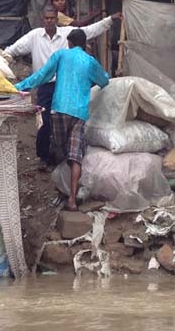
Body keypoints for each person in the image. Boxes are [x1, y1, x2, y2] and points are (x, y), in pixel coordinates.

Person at [4, 6, 121, 169]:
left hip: (63, 85)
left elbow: (88, 31)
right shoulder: (34, 36)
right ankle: (44, 157)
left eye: (52, 18)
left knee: (65, 120)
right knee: (44, 122)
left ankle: (64, 158)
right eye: (46, 18)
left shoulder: (68, 33)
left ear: (57, 20)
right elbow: (15, 48)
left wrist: (109, 20)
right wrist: (2, 55)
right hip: (44, 85)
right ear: (42, 19)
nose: (49, 21)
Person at [14, 29, 110, 211]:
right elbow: (105, 81)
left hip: (58, 109)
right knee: (75, 157)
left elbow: (42, 76)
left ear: (71, 43)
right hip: (79, 113)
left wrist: (18, 86)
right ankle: (72, 200)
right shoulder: (90, 61)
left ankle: (61, 192)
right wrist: (87, 83)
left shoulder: (61, 55)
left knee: (60, 151)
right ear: (85, 44)